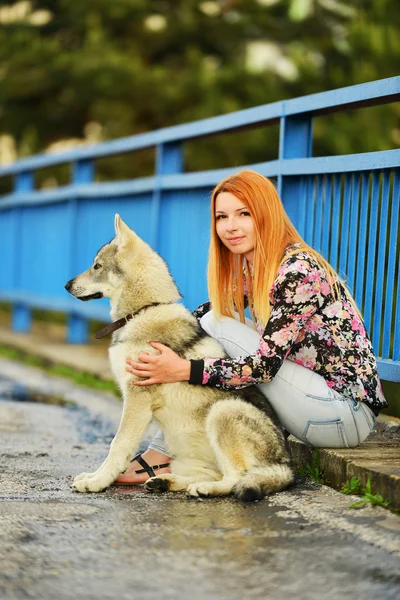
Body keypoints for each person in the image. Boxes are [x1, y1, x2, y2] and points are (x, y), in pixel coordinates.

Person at [114, 169, 388, 485]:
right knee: (207, 321)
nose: (230, 226)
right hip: (311, 407)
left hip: (343, 415)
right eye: (221, 216)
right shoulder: (259, 269)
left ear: (265, 214)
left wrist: (183, 369)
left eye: (243, 214)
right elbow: (203, 314)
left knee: (216, 326)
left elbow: (264, 367)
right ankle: (185, 452)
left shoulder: (298, 271)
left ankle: (162, 456)